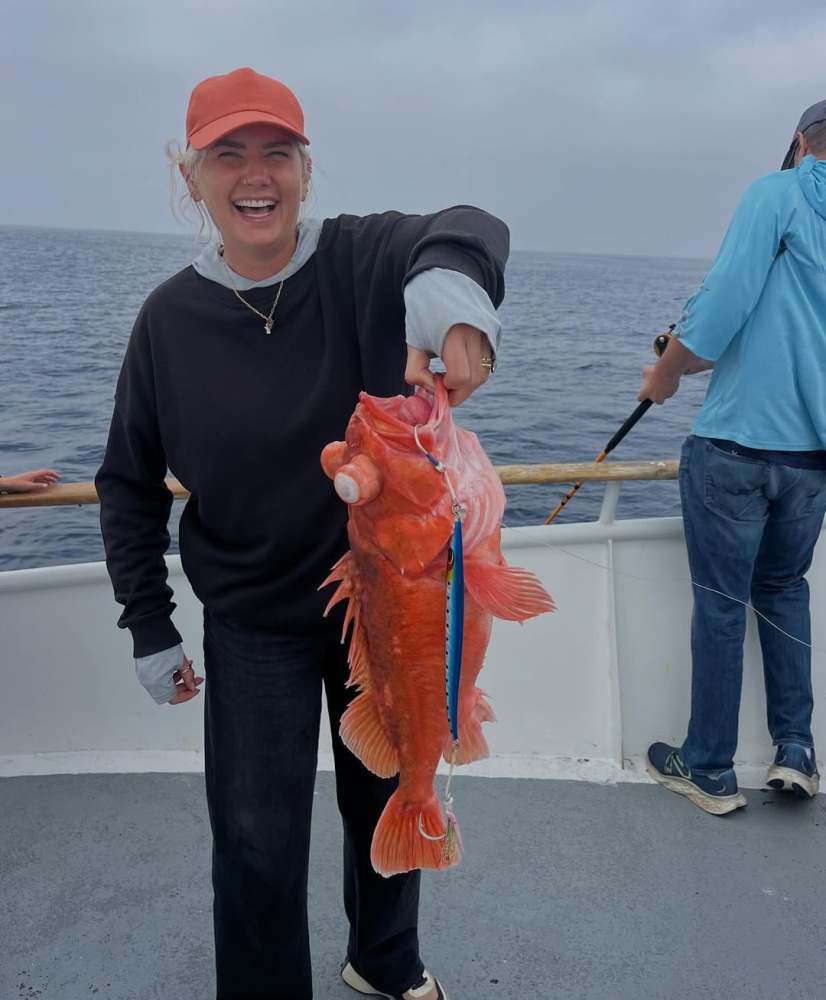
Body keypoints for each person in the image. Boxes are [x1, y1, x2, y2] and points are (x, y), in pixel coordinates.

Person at [96, 67, 507, 1000]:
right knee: (253, 834)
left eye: (276, 153)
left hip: (389, 605)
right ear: (190, 175)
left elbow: (470, 229)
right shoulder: (167, 321)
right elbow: (126, 482)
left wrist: (453, 304)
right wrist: (150, 626)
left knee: (392, 788)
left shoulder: (364, 259)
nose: (256, 175)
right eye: (228, 155)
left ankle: (386, 964)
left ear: (305, 170)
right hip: (252, 622)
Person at [639, 100, 826, 815]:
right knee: (784, 590)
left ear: (801, 141)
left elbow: (719, 308)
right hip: (812, 460)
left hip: (738, 447)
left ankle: (710, 769)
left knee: (722, 604)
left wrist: (666, 373)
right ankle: (797, 750)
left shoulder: (774, 193)